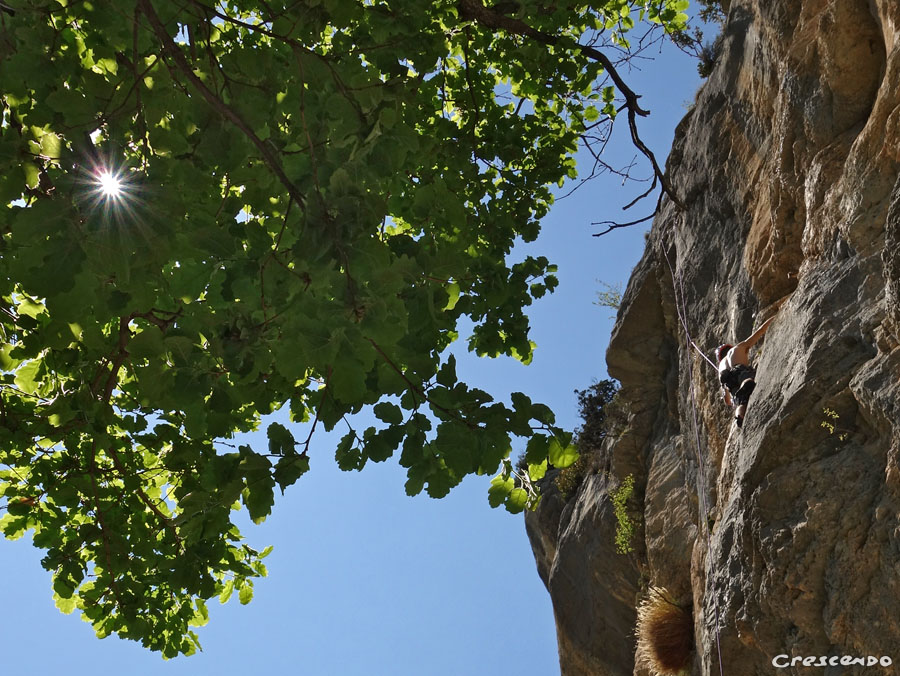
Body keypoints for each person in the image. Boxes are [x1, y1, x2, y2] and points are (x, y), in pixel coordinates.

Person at [714, 312, 779, 428]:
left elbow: (727, 401)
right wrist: (776, 316)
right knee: (744, 377)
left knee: (740, 401)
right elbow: (759, 332)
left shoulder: (721, 367)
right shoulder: (736, 349)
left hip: (728, 381)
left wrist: (729, 396)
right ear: (729, 347)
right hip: (738, 369)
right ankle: (746, 383)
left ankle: (740, 416)